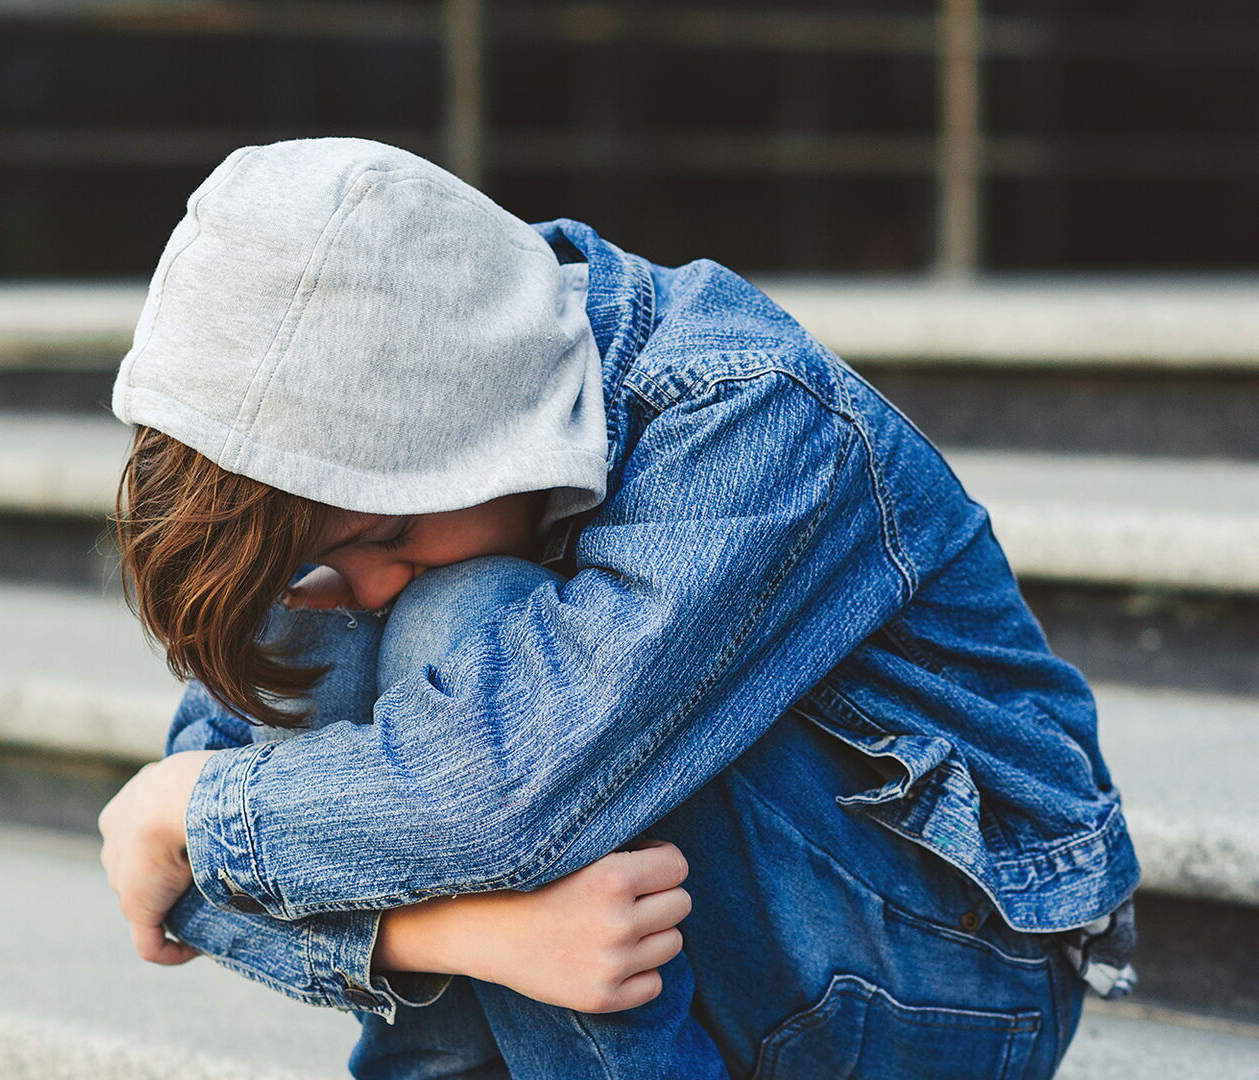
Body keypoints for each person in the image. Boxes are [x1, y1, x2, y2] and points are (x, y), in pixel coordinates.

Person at [96, 137, 1138, 1079]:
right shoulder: (319, 508)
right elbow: (185, 876)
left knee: (464, 629)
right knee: (384, 710)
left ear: (481, 425)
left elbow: (487, 800)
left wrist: (194, 811)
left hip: (944, 969)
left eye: (384, 538)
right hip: (643, 927)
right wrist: (469, 936)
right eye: (322, 568)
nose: (360, 584)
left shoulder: (749, 412)